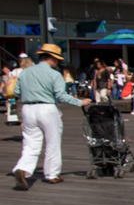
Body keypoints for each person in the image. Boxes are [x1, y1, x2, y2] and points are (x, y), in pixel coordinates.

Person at [12, 44, 92, 190]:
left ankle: (22, 168)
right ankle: (52, 175)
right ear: (51, 58)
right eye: (56, 60)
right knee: (52, 143)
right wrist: (80, 102)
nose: (57, 63)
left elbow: (16, 92)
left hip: (27, 109)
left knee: (30, 144)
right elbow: (61, 96)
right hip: (46, 108)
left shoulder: (24, 73)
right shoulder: (54, 74)